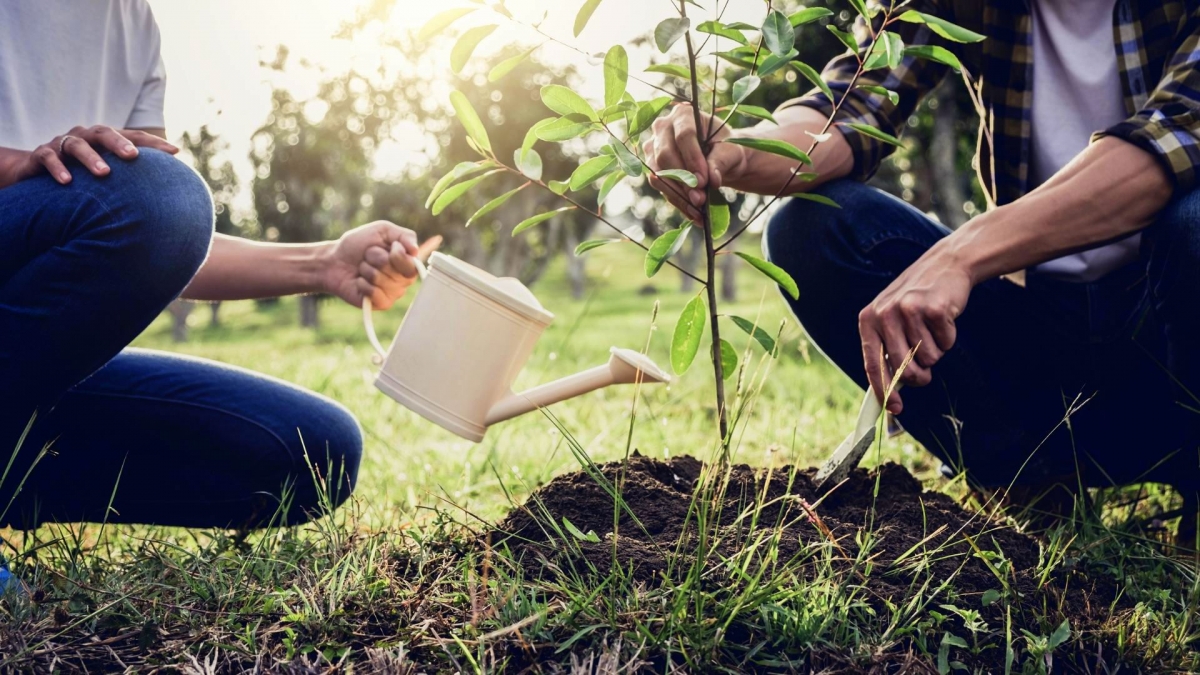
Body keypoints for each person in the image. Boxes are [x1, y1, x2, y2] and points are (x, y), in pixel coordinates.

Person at [646, 0, 1200, 516]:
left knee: (1193, 219)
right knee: (814, 227)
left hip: (1165, 341)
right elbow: (853, 104)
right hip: (1043, 333)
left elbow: (1175, 138)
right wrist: (739, 151)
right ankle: (1024, 477)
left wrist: (962, 255)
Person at [0, 1, 430, 582]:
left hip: (22, 361)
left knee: (313, 451)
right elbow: (147, 200)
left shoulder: (131, 21)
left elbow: (156, 226)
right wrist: (23, 166)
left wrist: (323, 263)